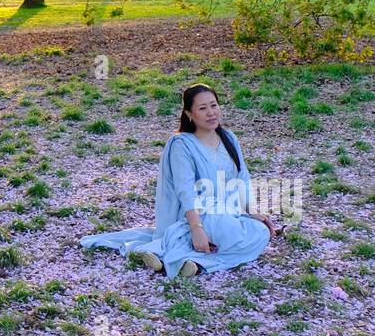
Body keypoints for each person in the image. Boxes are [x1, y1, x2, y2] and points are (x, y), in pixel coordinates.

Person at [80, 83, 277, 277]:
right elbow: (185, 190)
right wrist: (196, 228)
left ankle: (192, 260)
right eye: (202, 108)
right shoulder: (181, 144)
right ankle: (182, 251)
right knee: (233, 233)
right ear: (189, 114)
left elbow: (242, 178)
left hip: (228, 209)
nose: (211, 112)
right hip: (198, 212)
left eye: (214, 105)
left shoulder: (229, 138)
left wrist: (252, 212)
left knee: (260, 232)